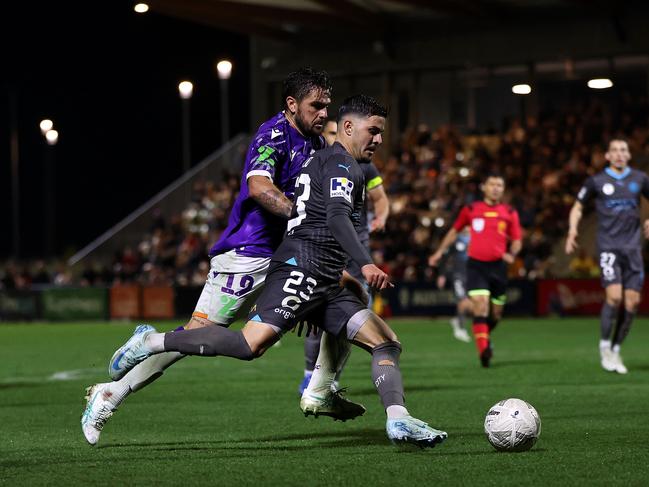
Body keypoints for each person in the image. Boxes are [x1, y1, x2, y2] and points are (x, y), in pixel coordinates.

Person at [107, 95, 447, 448]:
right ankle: (150, 341)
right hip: (303, 269)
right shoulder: (341, 166)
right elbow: (335, 217)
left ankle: (397, 419)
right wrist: (364, 263)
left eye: (381, 133)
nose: (378, 140)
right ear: (349, 127)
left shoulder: (335, 161)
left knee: (386, 342)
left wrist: (339, 276)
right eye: (372, 131)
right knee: (248, 345)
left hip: (324, 276)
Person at [81, 67, 366, 446]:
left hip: (290, 255)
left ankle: (320, 389)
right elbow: (260, 187)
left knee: (350, 296)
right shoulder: (273, 136)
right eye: (316, 106)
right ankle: (113, 391)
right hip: (248, 255)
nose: (324, 115)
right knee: (197, 337)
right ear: (292, 104)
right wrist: (301, 215)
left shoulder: (315, 144)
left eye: (327, 106)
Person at [298, 118, 390, 396]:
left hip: (354, 250)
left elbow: (381, 198)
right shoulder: (317, 163)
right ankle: (308, 374)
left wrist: (381, 217)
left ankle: (330, 377)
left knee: (354, 314)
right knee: (320, 316)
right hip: (324, 249)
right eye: (327, 132)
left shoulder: (365, 165)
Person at [565, 138, 649, 374]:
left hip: (632, 249)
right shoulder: (597, 181)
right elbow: (578, 206)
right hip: (609, 247)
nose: (620, 153)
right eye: (615, 150)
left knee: (632, 302)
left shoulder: (640, 179)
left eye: (624, 150)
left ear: (629, 155)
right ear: (608, 156)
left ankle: (615, 349)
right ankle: (604, 347)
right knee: (613, 298)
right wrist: (573, 230)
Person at [429, 174, 522, 367]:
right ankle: (484, 352)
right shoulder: (471, 210)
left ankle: (485, 338)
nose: (496, 188)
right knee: (481, 305)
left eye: (500, 185)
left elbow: (517, 240)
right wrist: (439, 252)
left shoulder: (509, 212)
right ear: (484, 187)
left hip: (498, 267)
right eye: (492, 184)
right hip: (476, 266)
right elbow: (454, 231)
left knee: (495, 315)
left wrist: (512, 253)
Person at [436, 229, 472, 343]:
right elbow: (445, 257)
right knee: (463, 301)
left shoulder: (476, 237)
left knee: (470, 303)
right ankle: (460, 328)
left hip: (472, 275)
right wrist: (442, 275)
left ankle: (458, 321)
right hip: (458, 275)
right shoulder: (455, 239)